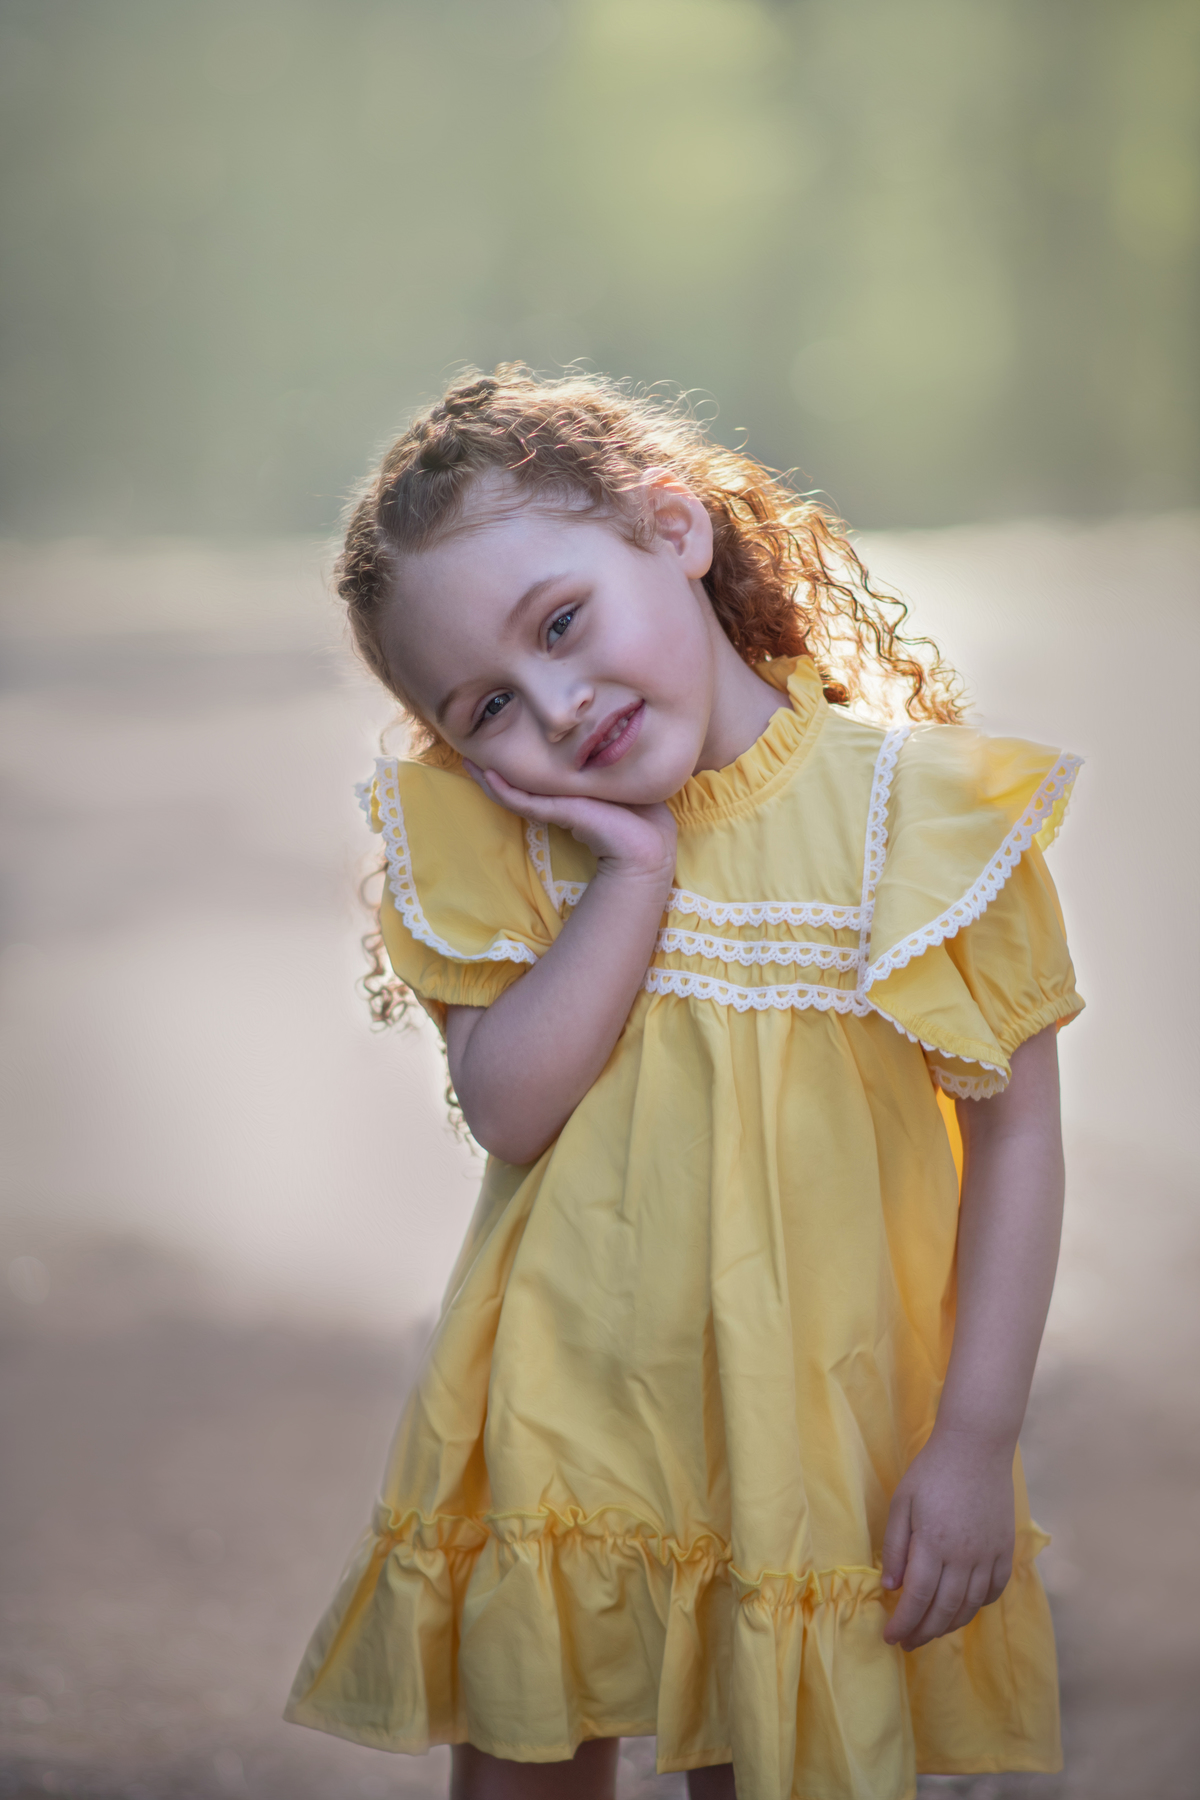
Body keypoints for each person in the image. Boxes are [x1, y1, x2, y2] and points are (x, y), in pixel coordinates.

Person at [285, 366, 1082, 1800]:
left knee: (769, 1754)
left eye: (564, 623)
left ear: (674, 529)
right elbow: (512, 1111)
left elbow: (1016, 1138)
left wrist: (977, 1436)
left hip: (808, 1426)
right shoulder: (523, 849)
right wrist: (633, 877)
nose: (559, 705)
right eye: (490, 706)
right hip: (565, 1409)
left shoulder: (922, 825)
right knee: (527, 1764)